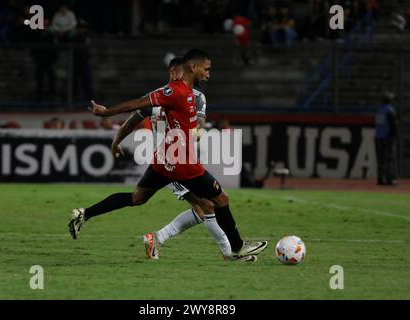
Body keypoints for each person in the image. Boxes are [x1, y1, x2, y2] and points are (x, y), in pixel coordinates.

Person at [68, 49, 268, 260]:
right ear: (192, 67)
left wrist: (195, 129)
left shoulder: (192, 95)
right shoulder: (175, 92)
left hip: (163, 159)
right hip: (182, 162)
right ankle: (236, 248)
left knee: (137, 197)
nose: (208, 74)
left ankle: (84, 214)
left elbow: (195, 120)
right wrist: (106, 112)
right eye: (206, 69)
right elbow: (137, 104)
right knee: (219, 199)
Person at [109, 56, 253, 262]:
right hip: (169, 162)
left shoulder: (196, 96)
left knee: (204, 207)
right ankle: (229, 252)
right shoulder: (158, 97)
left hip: (183, 160)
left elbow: (200, 120)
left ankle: (157, 238)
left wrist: (196, 129)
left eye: (179, 72)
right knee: (209, 205)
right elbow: (132, 120)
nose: (176, 76)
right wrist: (116, 140)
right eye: (172, 72)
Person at [375, 91, 398, 186]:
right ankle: (390, 179)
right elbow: (393, 126)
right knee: (390, 158)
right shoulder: (390, 110)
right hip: (388, 137)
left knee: (381, 159)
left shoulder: (379, 109)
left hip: (378, 137)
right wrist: (394, 136)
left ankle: (381, 178)